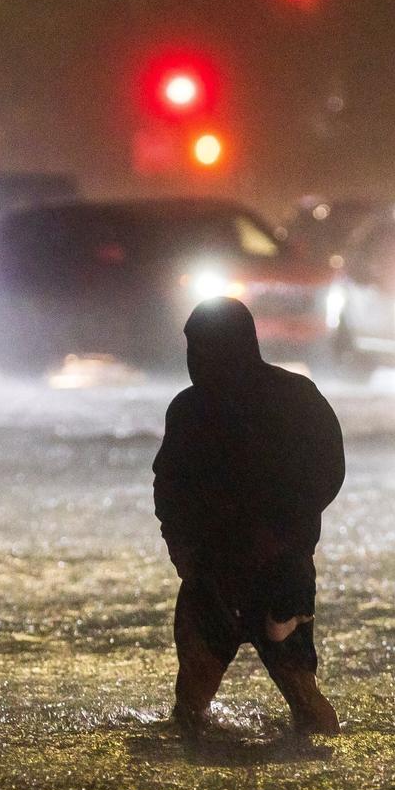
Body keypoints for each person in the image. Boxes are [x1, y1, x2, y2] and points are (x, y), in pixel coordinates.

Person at [153, 297, 346, 737]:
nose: (192, 360)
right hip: (233, 572)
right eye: (190, 349)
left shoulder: (284, 400)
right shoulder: (192, 410)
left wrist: (280, 533)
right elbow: (169, 487)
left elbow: (326, 472)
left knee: (288, 698)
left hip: (258, 574)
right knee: (199, 706)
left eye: (199, 347)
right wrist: (183, 549)